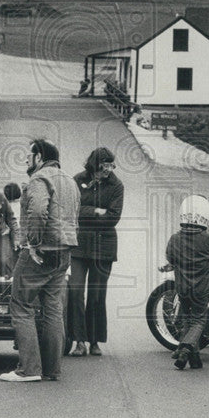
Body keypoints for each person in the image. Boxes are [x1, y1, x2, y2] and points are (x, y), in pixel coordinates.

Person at [0, 139, 79, 383]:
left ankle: (29, 370)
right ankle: (51, 370)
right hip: (65, 250)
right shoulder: (69, 180)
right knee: (53, 308)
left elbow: (37, 211)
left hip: (41, 250)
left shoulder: (39, 179)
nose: (26, 160)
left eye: (29, 155)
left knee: (21, 305)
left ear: (39, 157)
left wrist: (33, 243)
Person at [66, 147, 124, 357]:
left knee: (97, 295)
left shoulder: (116, 185)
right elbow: (71, 209)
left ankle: (94, 341)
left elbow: (113, 217)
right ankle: (78, 341)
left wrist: (88, 211)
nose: (108, 170)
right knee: (75, 292)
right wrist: (98, 211)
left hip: (104, 247)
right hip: (79, 246)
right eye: (104, 165)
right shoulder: (77, 180)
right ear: (94, 165)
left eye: (111, 165)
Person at [164, 195, 209, 370]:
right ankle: (185, 347)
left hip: (182, 287)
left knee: (186, 319)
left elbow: (170, 258)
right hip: (201, 288)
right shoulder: (207, 239)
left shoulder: (174, 239)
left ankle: (194, 359)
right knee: (198, 321)